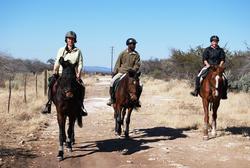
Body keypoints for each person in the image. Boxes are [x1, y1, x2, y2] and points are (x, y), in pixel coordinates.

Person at [42, 31, 88, 116]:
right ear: (66, 40)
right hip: (61, 74)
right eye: (69, 39)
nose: (70, 40)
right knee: (51, 83)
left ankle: (81, 106)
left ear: (74, 40)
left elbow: (80, 63)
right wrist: (55, 70)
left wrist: (79, 73)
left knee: (82, 86)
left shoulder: (78, 51)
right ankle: (48, 104)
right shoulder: (61, 50)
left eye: (72, 39)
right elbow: (57, 61)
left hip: (72, 75)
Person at [107, 38, 142, 106]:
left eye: (135, 44)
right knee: (112, 82)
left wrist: (134, 70)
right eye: (133, 44)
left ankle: (137, 100)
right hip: (122, 72)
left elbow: (137, 64)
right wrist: (115, 72)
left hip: (131, 74)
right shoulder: (122, 53)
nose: (134, 45)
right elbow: (117, 63)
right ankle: (112, 98)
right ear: (128, 45)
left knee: (140, 85)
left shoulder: (136, 55)